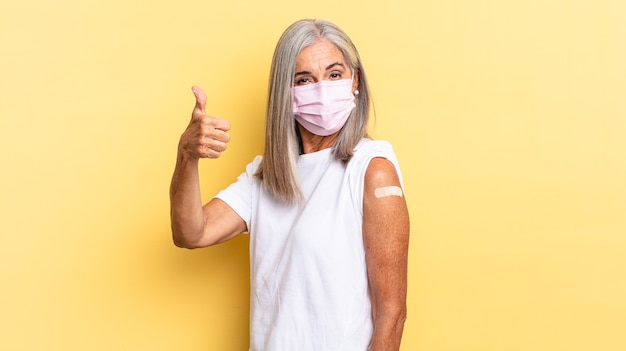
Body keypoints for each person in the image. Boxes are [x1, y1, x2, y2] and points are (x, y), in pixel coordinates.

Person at [170, 19, 410, 351]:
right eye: (304, 79)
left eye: (334, 74)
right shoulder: (265, 176)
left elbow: (392, 316)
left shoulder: (372, 171)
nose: (322, 88)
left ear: (355, 81)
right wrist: (187, 156)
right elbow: (191, 233)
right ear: (287, 92)